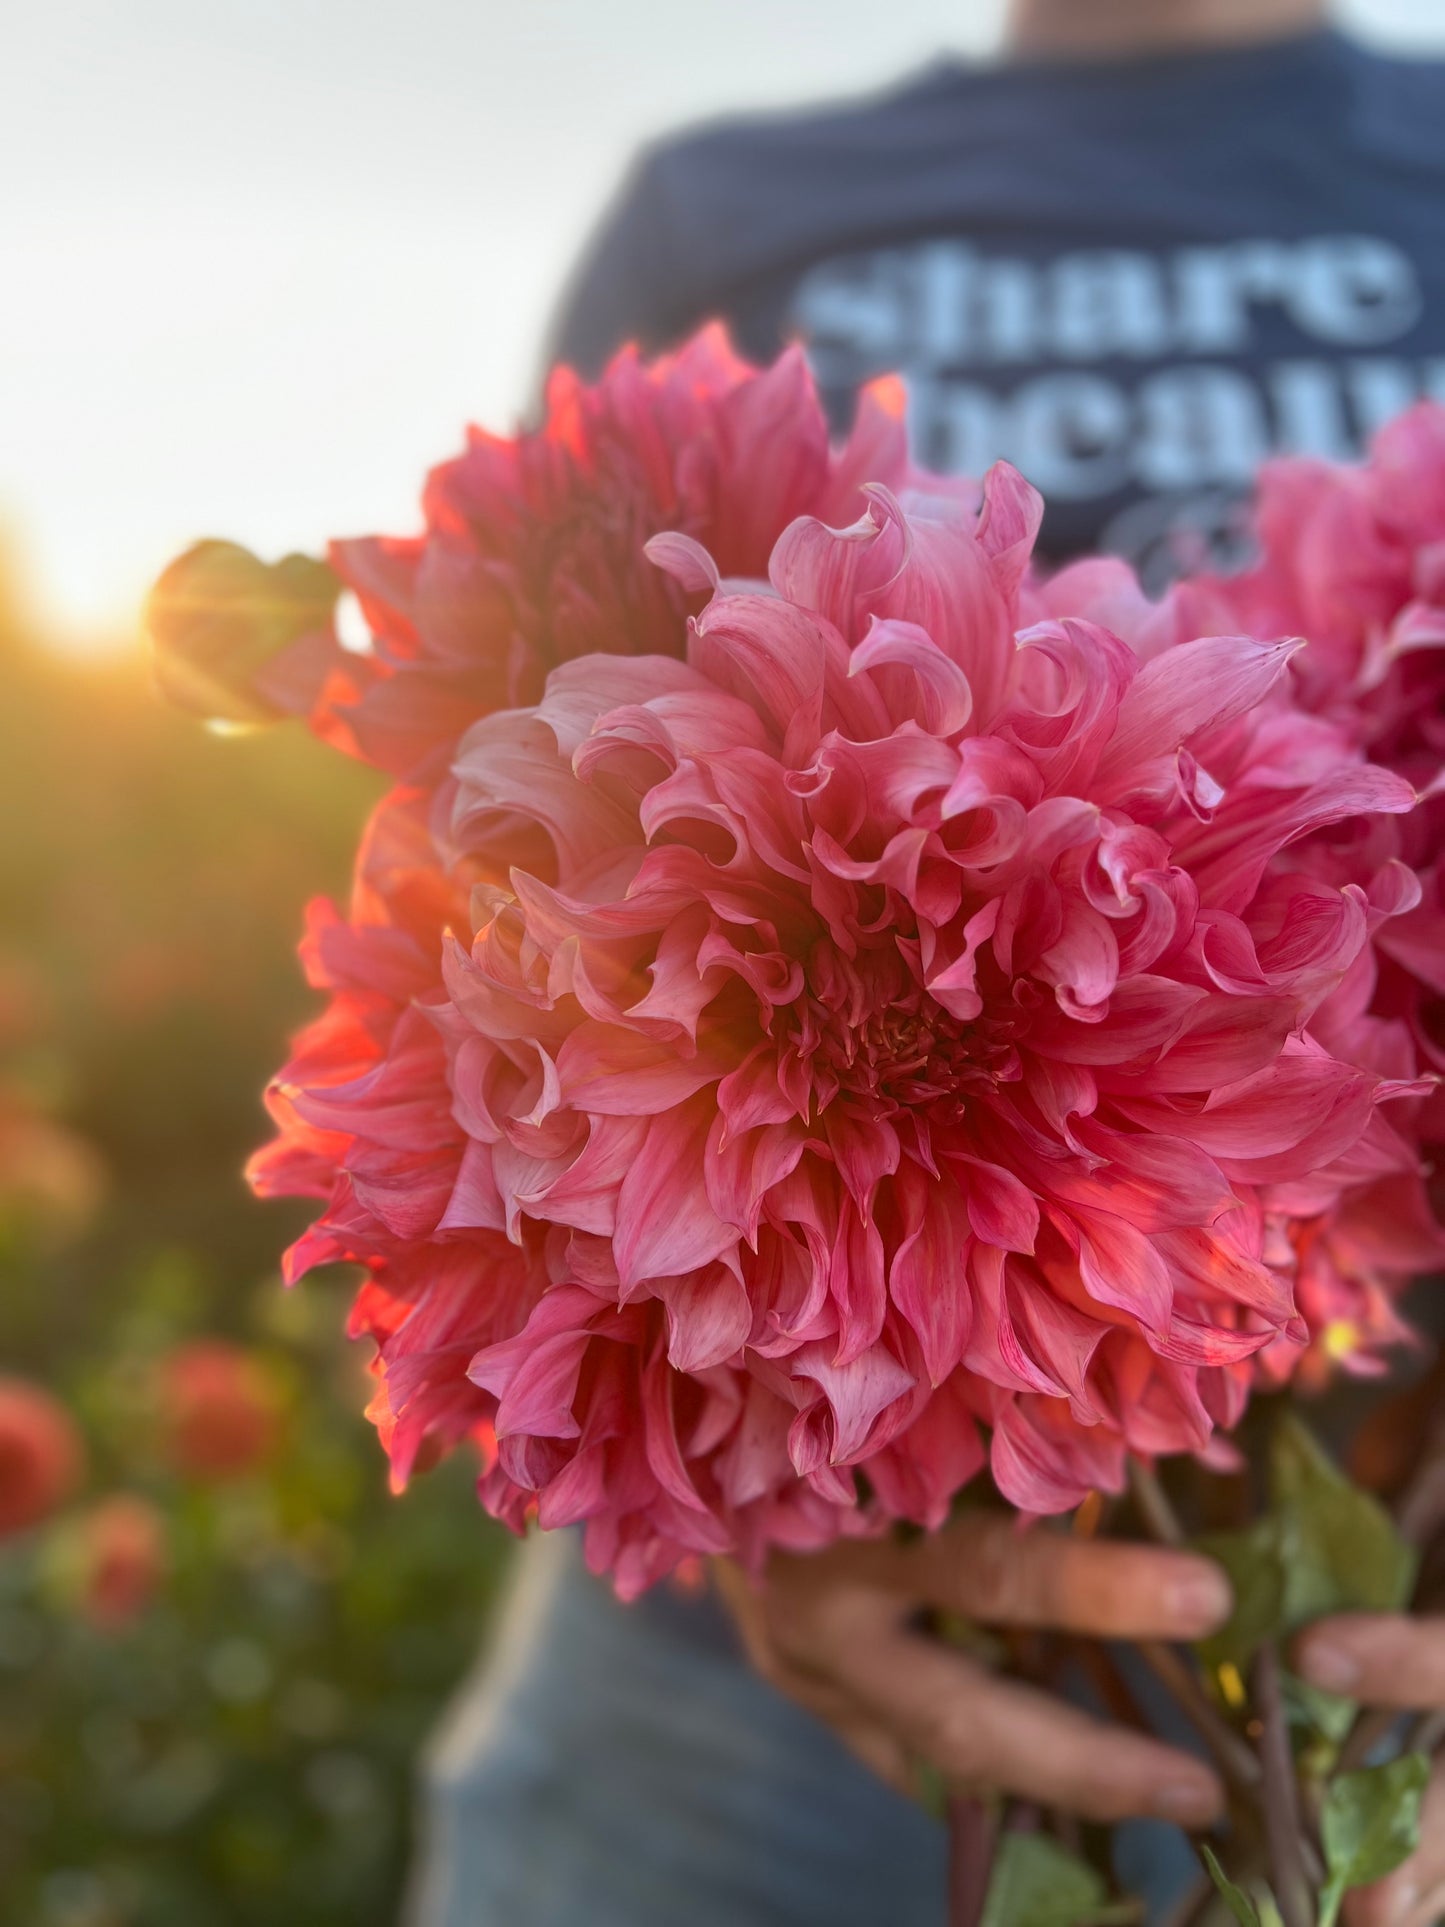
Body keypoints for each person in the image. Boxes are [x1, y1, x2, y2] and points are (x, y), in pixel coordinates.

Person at [406, 5, 1445, 1923]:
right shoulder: (723, 211)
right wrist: (749, 1483)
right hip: (739, 1704)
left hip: (1369, 1673)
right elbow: (481, 847)